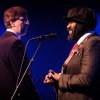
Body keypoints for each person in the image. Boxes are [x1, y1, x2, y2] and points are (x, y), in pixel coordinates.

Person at [44, 6, 100, 100]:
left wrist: (60, 78)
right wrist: (56, 80)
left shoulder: (93, 42)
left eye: (71, 21)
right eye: (67, 22)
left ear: (83, 24)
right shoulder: (82, 44)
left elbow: (87, 79)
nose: (67, 26)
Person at [0, 6, 40, 100]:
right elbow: (22, 77)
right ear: (12, 22)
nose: (28, 23)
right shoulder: (15, 43)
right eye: (24, 20)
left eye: (28, 20)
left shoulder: (1, 41)